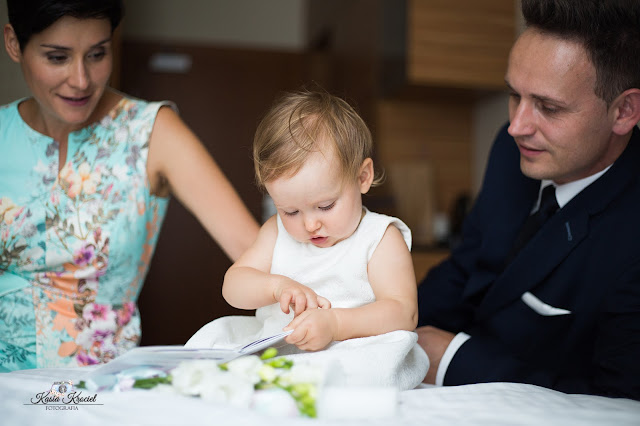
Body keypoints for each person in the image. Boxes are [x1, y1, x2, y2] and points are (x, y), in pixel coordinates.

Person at [0, 0, 259, 371]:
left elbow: (254, 249)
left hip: (101, 395)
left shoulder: (151, 131)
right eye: (57, 57)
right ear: (13, 43)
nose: (81, 80)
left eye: (97, 54)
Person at [416, 0, 640, 400]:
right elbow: (467, 269)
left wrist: (454, 359)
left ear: (624, 111)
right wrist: (376, 317)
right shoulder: (511, 150)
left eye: (548, 107)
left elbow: (619, 402)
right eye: (513, 96)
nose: (516, 126)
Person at [186, 89, 429, 390]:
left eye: (325, 206)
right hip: (281, 347)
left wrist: (336, 324)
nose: (310, 224)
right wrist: (276, 286)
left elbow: (403, 313)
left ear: (363, 177)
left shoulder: (379, 237)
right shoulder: (276, 232)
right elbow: (232, 286)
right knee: (216, 337)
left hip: (353, 349)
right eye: (290, 211)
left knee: (366, 367)